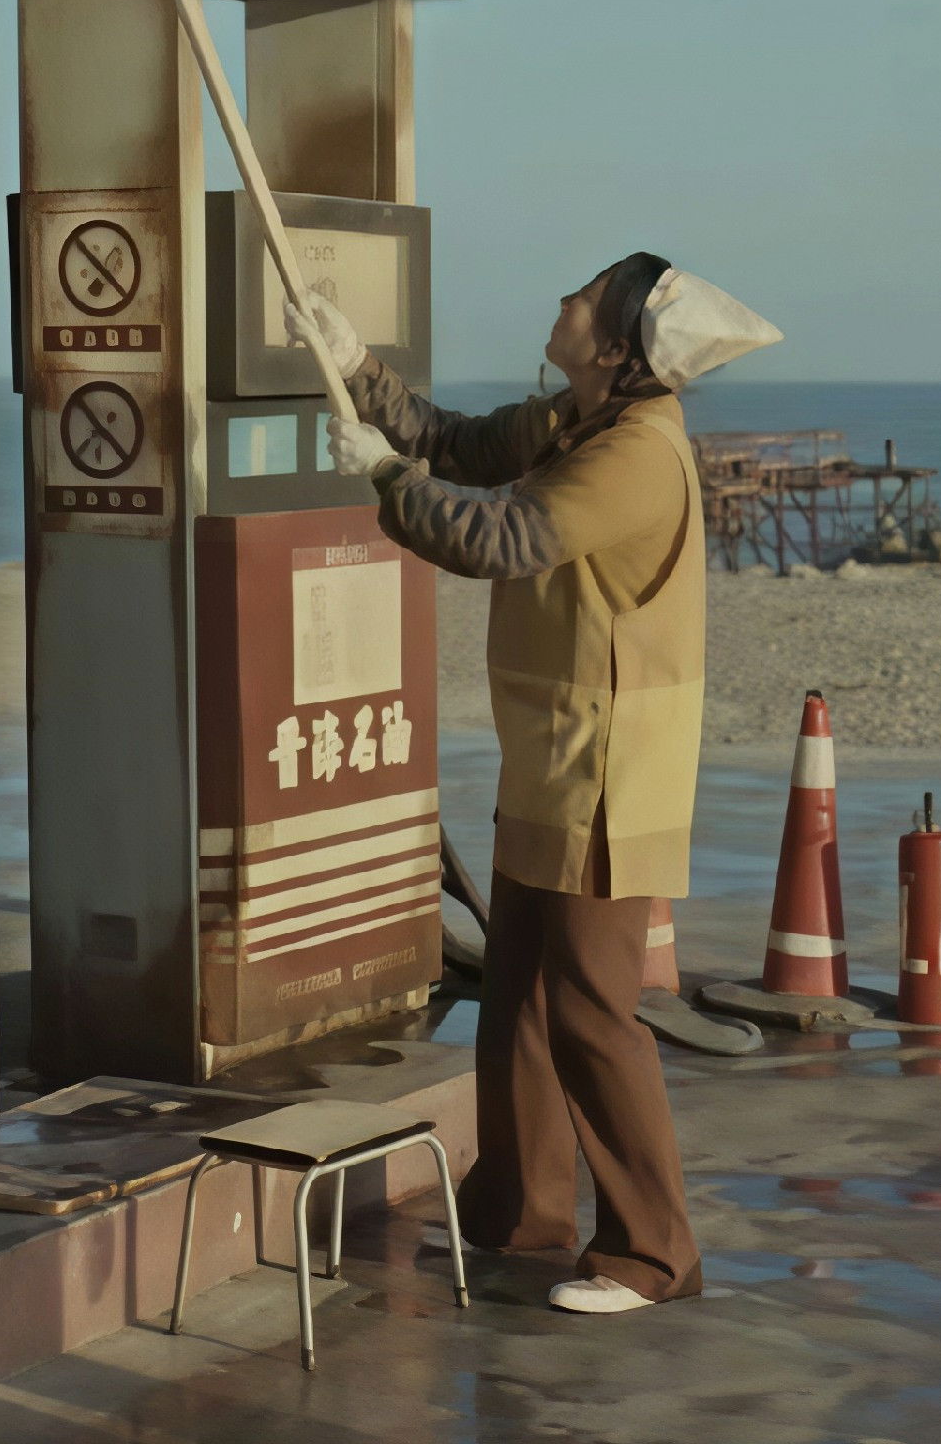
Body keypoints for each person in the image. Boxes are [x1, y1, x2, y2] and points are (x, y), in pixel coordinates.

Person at [295, 252, 779, 1314]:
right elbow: (460, 445)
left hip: (609, 768)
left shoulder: (636, 453)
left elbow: (501, 537)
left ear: (618, 348)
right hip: (553, 756)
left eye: (586, 297)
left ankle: (654, 1255)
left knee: (592, 1012)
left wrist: (387, 480)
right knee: (516, 998)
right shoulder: (576, 421)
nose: (564, 301)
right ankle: (520, 1219)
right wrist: (356, 365)